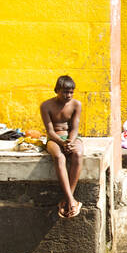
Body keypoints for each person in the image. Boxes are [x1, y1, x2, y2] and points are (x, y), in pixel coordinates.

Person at [40, 75, 83, 219]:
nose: (68, 95)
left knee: (78, 154)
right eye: (65, 92)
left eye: (71, 92)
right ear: (56, 90)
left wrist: (70, 142)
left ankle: (67, 199)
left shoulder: (76, 104)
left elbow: (75, 128)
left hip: (71, 137)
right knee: (58, 157)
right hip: (55, 139)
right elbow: (50, 131)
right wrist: (62, 143)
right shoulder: (46, 106)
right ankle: (72, 200)